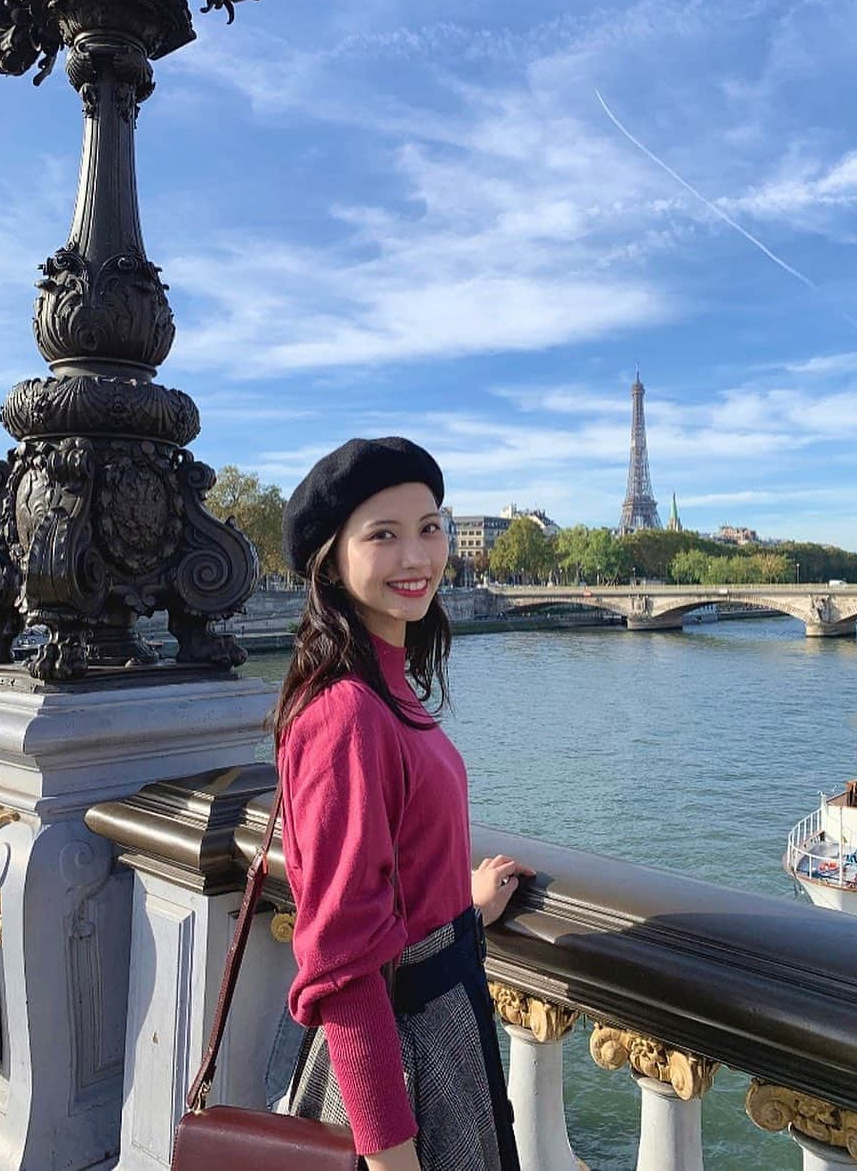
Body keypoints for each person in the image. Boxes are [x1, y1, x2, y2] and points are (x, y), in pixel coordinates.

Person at [267, 436, 533, 1171]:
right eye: (383, 534)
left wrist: (462, 909)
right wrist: (393, 1162)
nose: (418, 556)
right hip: (407, 1066)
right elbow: (346, 966)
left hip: (443, 1018)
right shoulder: (347, 712)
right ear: (332, 558)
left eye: (430, 526)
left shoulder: (387, 683)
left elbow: (397, 861)